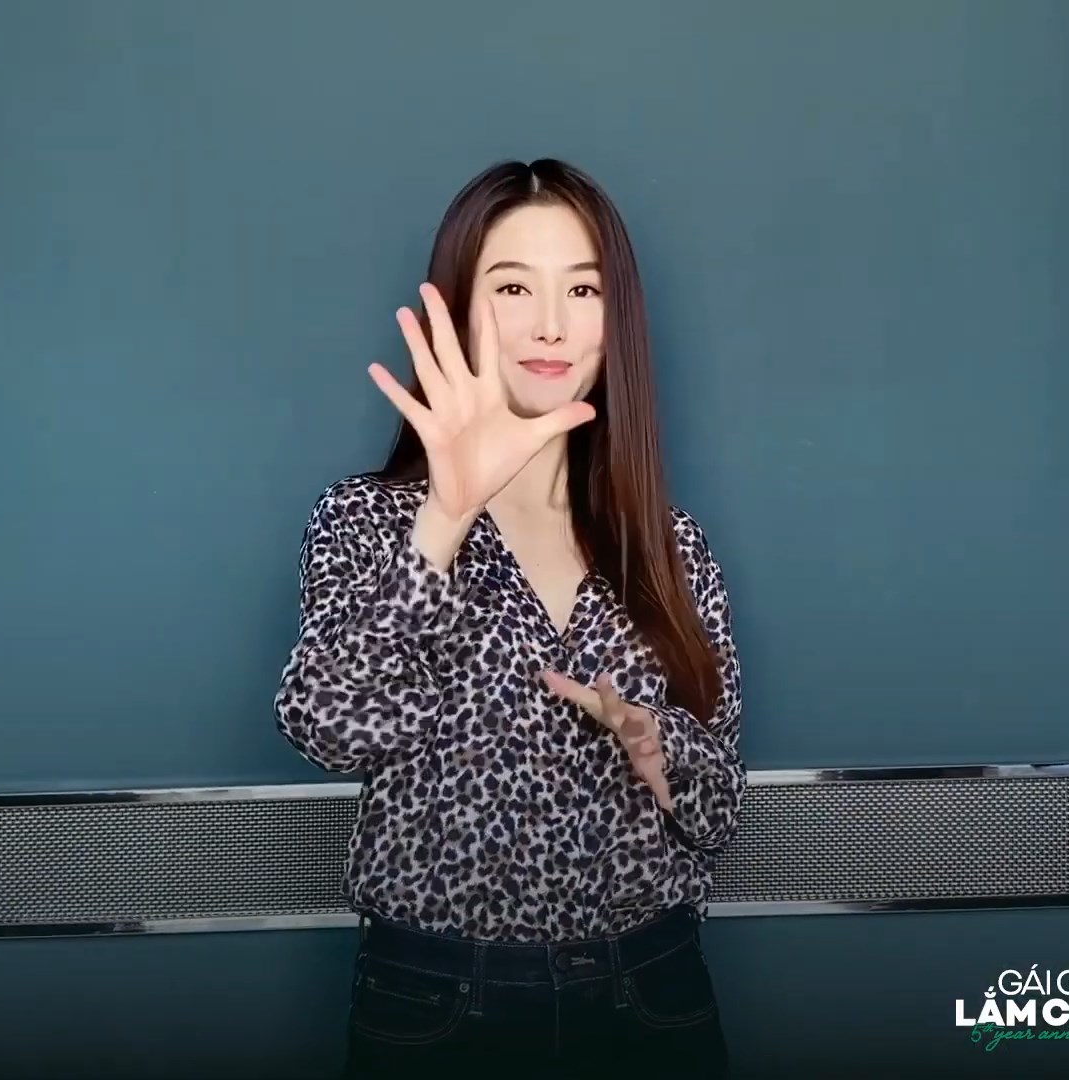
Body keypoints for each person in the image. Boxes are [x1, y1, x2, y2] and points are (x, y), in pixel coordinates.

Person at [273, 158, 746, 1078]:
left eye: (583, 289)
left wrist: (656, 746)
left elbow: (720, 810)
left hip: (651, 991)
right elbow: (328, 727)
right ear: (460, 309)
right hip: (440, 1003)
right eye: (514, 287)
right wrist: (444, 520)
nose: (551, 324)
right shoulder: (365, 520)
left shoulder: (670, 544)